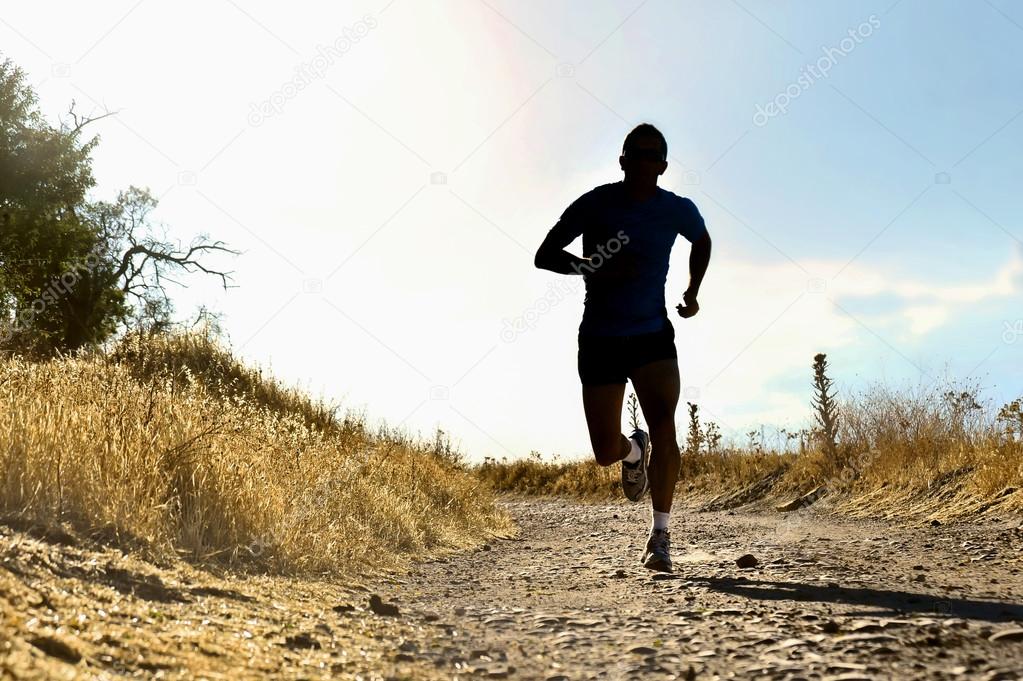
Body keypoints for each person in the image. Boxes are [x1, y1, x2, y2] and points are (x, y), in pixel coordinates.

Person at [533, 123, 712, 572]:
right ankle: (633, 451)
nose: (644, 161)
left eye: (653, 155)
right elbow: (546, 253)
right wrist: (593, 267)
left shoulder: (676, 209)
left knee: (667, 428)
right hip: (600, 338)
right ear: (623, 159)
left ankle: (661, 536)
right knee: (603, 452)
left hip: (653, 334)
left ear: (663, 166)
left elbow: (702, 239)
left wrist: (692, 291)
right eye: (636, 152)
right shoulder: (596, 203)